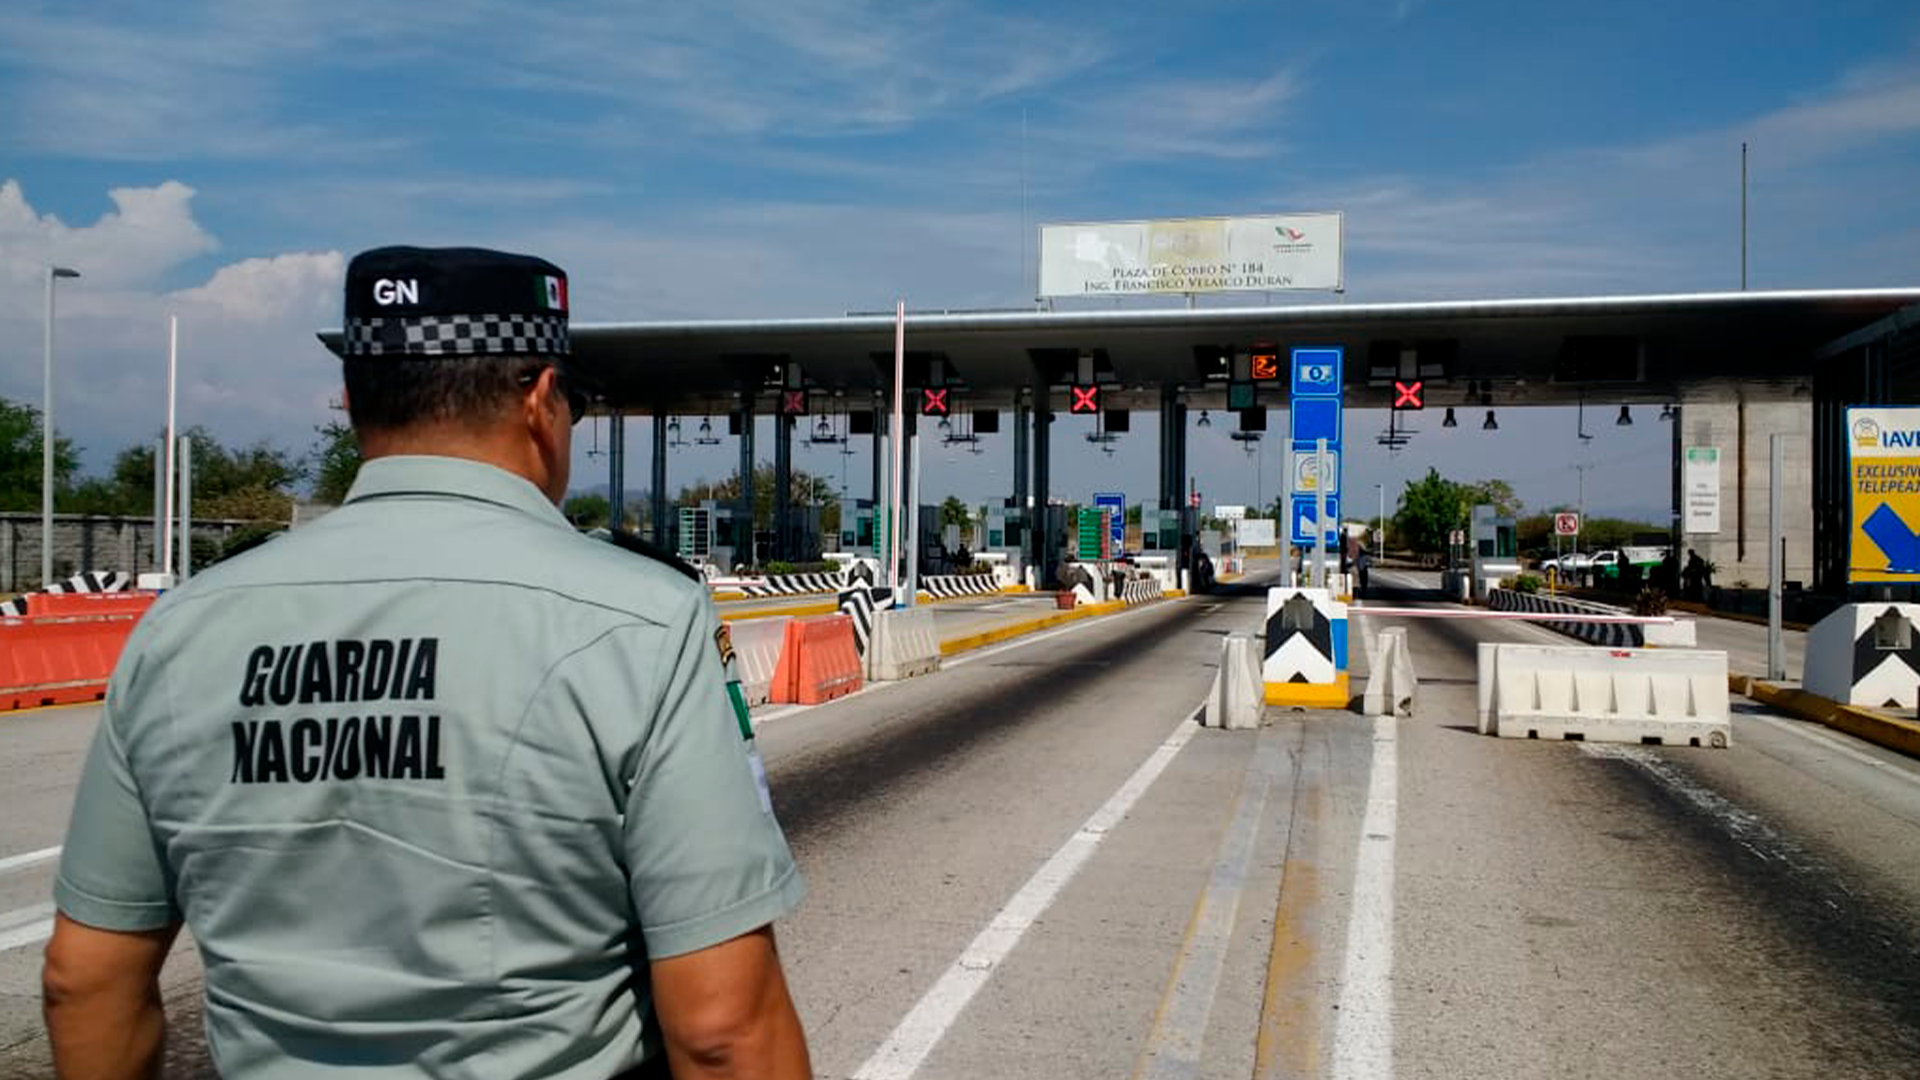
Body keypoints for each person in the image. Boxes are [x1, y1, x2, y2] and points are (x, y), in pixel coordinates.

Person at [43, 247, 811, 1080]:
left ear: (352, 404)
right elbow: (723, 1028)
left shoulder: (181, 628)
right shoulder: (642, 619)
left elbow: (84, 983)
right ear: (542, 399)